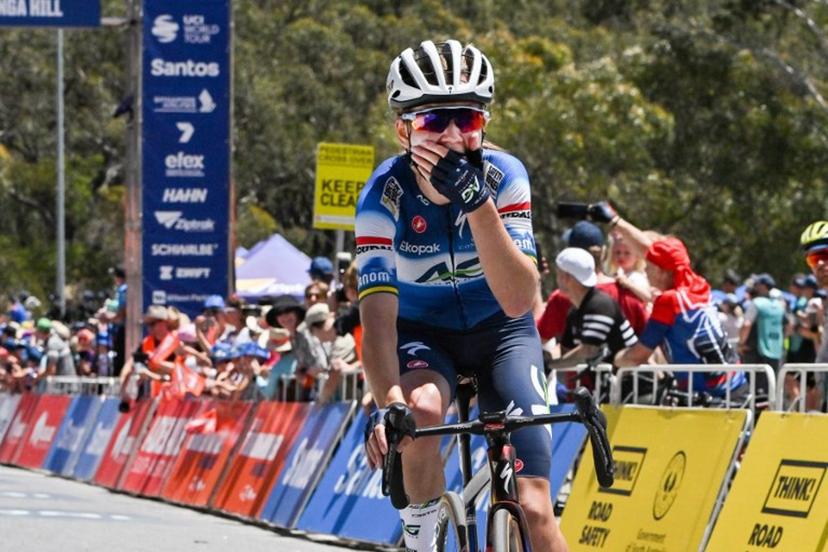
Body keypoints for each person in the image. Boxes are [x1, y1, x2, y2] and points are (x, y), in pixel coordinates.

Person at [358, 39, 566, 551]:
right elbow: (378, 318)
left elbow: (520, 301)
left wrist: (477, 205)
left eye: (466, 119)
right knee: (423, 409)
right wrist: (388, 402)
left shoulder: (503, 175)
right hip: (425, 337)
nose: (452, 135)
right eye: (434, 121)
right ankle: (421, 531)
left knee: (537, 508)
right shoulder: (382, 195)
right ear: (402, 128)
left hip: (503, 333)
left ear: (484, 123)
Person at [601, 206, 747, 400]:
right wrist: (615, 221)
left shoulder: (668, 302)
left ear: (662, 272)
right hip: (737, 386)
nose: (645, 271)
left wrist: (616, 359)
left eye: (649, 267)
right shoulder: (698, 284)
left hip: (713, 399)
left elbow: (637, 356)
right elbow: (654, 253)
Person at [537, 221, 648, 344]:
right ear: (604, 253)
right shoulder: (627, 293)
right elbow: (649, 341)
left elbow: (539, 338)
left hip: (576, 362)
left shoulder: (562, 297)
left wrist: (534, 280)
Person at [547, 248, 638, 371]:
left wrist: (548, 366)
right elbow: (566, 350)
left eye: (558, 274)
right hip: (613, 386)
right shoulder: (575, 311)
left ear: (566, 277)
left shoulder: (600, 305)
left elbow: (589, 351)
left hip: (636, 385)